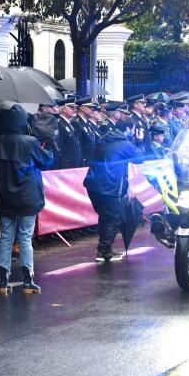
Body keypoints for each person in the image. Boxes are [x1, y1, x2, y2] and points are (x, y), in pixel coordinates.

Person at [0, 105, 54, 294]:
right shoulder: (30, 141)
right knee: (25, 238)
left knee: (6, 239)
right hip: (27, 196)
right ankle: (28, 281)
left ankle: (3, 281)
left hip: (4, 197)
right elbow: (47, 160)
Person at [83, 117, 143, 262]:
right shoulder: (124, 144)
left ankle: (105, 250)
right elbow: (139, 158)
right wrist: (139, 141)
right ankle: (103, 251)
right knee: (115, 217)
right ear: (128, 128)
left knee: (105, 217)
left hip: (93, 185)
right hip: (109, 186)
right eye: (133, 129)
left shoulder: (104, 138)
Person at [56, 98, 82, 169]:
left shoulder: (68, 124)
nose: (74, 109)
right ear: (64, 109)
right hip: (66, 165)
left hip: (73, 163)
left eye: (75, 107)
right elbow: (58, 147)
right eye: (71, 107)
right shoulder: (59, 124)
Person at [73, 97, 100, 166]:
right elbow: (78, 145)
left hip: (91, 160)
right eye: (89, 107)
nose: (92, 109)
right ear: (82, 108)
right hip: (84, 161)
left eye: (92, 107)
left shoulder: (87, 122)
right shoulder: (76, 122)